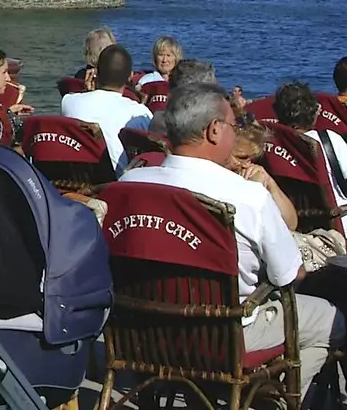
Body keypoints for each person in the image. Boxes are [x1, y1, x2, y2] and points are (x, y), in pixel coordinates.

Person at [121, 83, 343, 401]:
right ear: (214, 130)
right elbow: (290, 277)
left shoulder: (129, 184)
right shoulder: (246, 196)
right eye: (233, 125)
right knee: (331, 320)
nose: (236, 131)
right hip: (223, 338)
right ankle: (274, 401)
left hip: (143, 332)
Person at [60, 43, 153, 174]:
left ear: (96, 72)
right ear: (130, 77)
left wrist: (86, 92)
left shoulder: (68, 101)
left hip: (73, 177)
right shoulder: (140, 113)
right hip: (114, 183)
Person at [273, 81, 347, 210]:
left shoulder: (271, 144)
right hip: (338, 219)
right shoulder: (328, 139)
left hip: (292, 219)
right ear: (313, 112)